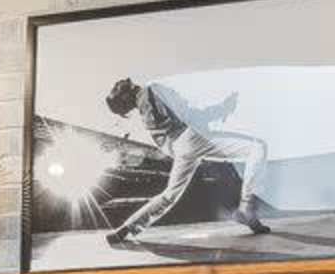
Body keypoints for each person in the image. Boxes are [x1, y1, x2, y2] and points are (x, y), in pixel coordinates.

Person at [102, 75, 272, 247]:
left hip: (181, 147)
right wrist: (222, 109)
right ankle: (247, 207)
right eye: (116, 88)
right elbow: (190, 114)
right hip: (191, 137)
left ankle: (126, 229)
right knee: (257, 147)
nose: (118, 83)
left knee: (169, 196)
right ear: (125, 95)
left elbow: (165, 142)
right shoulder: (151, 89)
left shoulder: (144, 110)